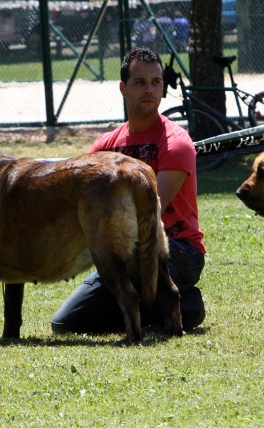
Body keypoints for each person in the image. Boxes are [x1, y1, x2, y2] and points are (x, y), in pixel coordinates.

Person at [51, 47, 206, 334]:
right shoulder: (104, 146)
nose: (149, 89)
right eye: (140, 82)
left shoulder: (176, 142)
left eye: (156, 82)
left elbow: (151, 209)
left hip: (177, 249)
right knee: (65, 324)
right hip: (120, 248)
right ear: (123, 88)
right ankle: (170, 308)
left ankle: (183, 303)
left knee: (129, 271)